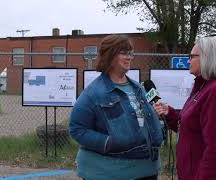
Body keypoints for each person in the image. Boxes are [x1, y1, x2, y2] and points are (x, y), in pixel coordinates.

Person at [69, 35, 163, 180]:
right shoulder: (94, 93)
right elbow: (77, 129)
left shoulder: (138, 88)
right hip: (111, 173)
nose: (129, 57)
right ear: (110, 55)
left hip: (147, 171)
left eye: (131, 53)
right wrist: (108, 143)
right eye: (124, 53)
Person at [153, 37, 216, 180]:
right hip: (191, 171)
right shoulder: (202, 87)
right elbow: (191, 127)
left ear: (208, 58)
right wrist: (170, 113)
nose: (188, 61)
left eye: (192, 56)